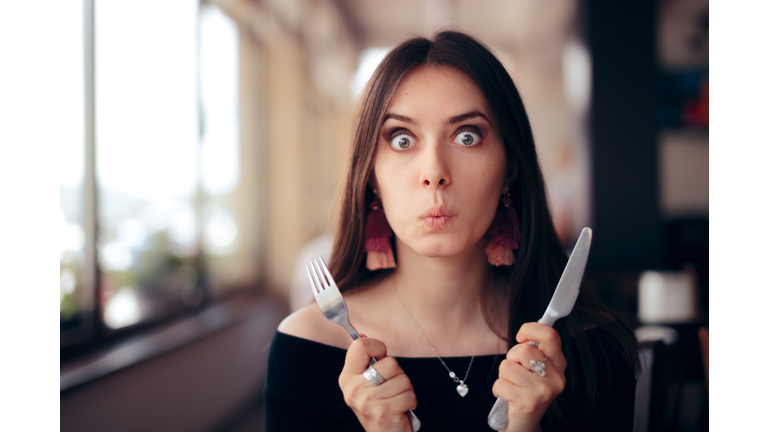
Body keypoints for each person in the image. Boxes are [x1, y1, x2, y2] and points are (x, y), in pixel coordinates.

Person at [264, 31, 638, 432]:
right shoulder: (307, 347)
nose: (434, 173)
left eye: (467, 136)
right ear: (371, 176)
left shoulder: (591, 346)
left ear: (510, 166)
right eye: (402, 139)